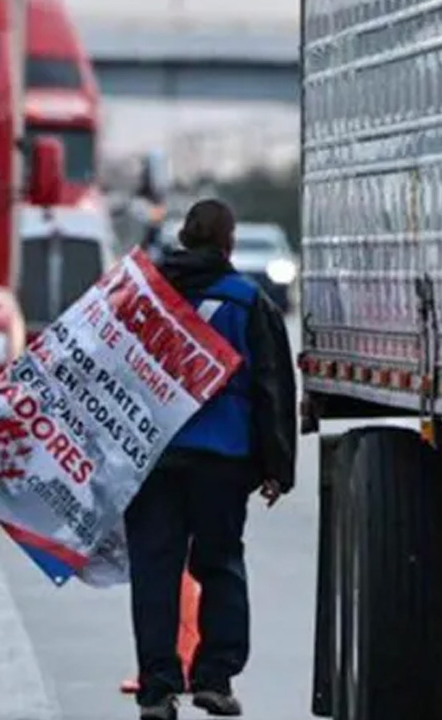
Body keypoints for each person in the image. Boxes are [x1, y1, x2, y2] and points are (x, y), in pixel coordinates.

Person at [126, 198, 296, 720]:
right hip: (221, 460)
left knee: (155, 570)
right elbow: (271, 389)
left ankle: (157, 690)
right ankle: (214, 678)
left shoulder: (144, 295)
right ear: (228, 243)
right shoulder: (248, 303)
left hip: (151, 456)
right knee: (219, 564)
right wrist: (277, 468)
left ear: (183, 238)